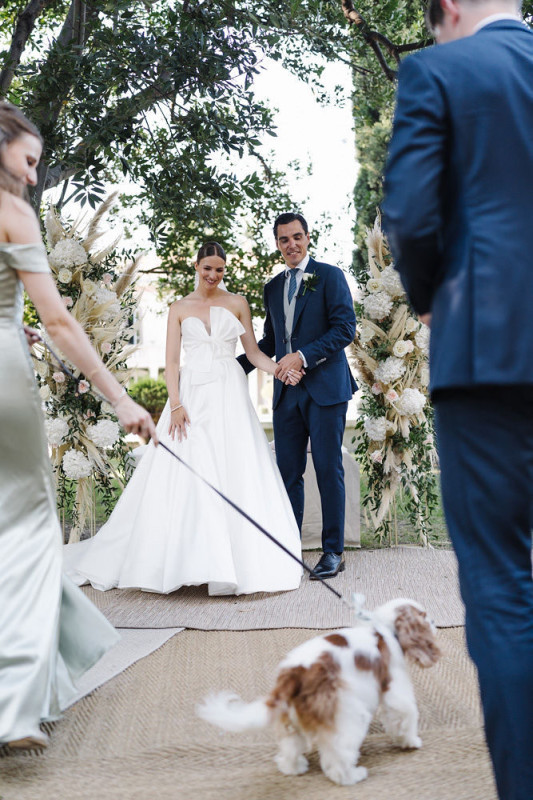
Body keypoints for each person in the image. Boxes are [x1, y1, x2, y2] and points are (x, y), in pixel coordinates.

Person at [382, 2, 533, 799]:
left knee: (502, 586)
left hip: (487, 355)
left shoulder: (438, 70)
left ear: (444, 12)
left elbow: (408, 215)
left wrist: (430, 294)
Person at [0, 101, 157, 750]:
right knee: (28, 527)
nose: (34, 177)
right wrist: (122, 399)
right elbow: (62, 322)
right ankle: (11, 706)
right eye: (28, 160)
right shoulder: (11, 211)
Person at [64, 242, 303, 596]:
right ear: (196, 266)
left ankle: (233, 563)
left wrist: (281, 371)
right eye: (208, 268)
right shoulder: (179, 308)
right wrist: (175, 405)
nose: (213, 275)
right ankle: (184, 561)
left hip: (229, 393)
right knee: (190, 468)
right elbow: (172, 363)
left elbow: (252, 353)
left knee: (234, 466)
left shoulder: (237, 303)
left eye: (220, 269)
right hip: (192, 396)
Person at [238, 213, 357, 580]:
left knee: (327, 469)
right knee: (288, 473)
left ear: (308, 238)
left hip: (326, 391)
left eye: (297, 237)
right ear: (277, 244)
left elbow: (344, 329)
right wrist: (230, 368)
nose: (292, 244)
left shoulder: (330, 276)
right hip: (286, 394)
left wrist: (303, 356)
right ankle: (289, 548)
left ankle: (333, 551)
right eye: (284, 239)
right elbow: (272, 343)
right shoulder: (272, 287)